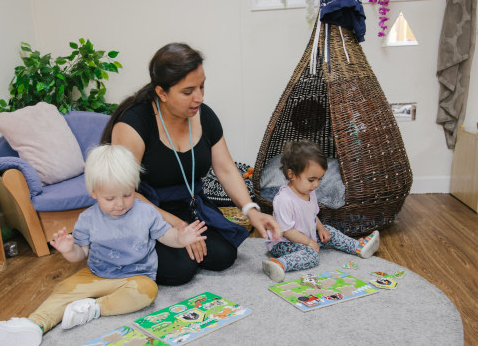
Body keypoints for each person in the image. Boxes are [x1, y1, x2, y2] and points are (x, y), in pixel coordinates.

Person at [0, 145, 207, 346]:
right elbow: (80, 255)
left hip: (136, 276)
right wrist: (68, 250)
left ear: (134, 187)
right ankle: (34, 325)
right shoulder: (87, 219)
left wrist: (182, 238)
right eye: (109, 198)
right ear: (94, 193)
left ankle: (94, 309)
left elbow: (167, 237)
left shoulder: (146, 212)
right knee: (64, 288)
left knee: (148, 292)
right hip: (96, 274)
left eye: (127, 195)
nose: (120, 204)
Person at [100, 42, 281, 286]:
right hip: (143, 210)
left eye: (202, 86)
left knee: (223, 255)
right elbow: (123, 192)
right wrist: (178, 226)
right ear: (162, 93)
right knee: (179, 270)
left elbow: (226, 169)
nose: (199, 97)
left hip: (190, 205)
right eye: (188, 92)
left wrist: (251, 211)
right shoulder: (133, 125)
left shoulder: (204, 115)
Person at [261, 140, 380, 282]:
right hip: (283, 243)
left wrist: (321, 228)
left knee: (329, 230)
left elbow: (312, 214)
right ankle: (279, 263)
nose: (316, 184)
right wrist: (309, 243)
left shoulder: (309, 192)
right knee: (312, 255)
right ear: (291, 174)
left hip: (305, 236)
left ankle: (358, 247)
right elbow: (287, 231)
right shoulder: (284, 200)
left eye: (319, 179)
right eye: (311, 180)